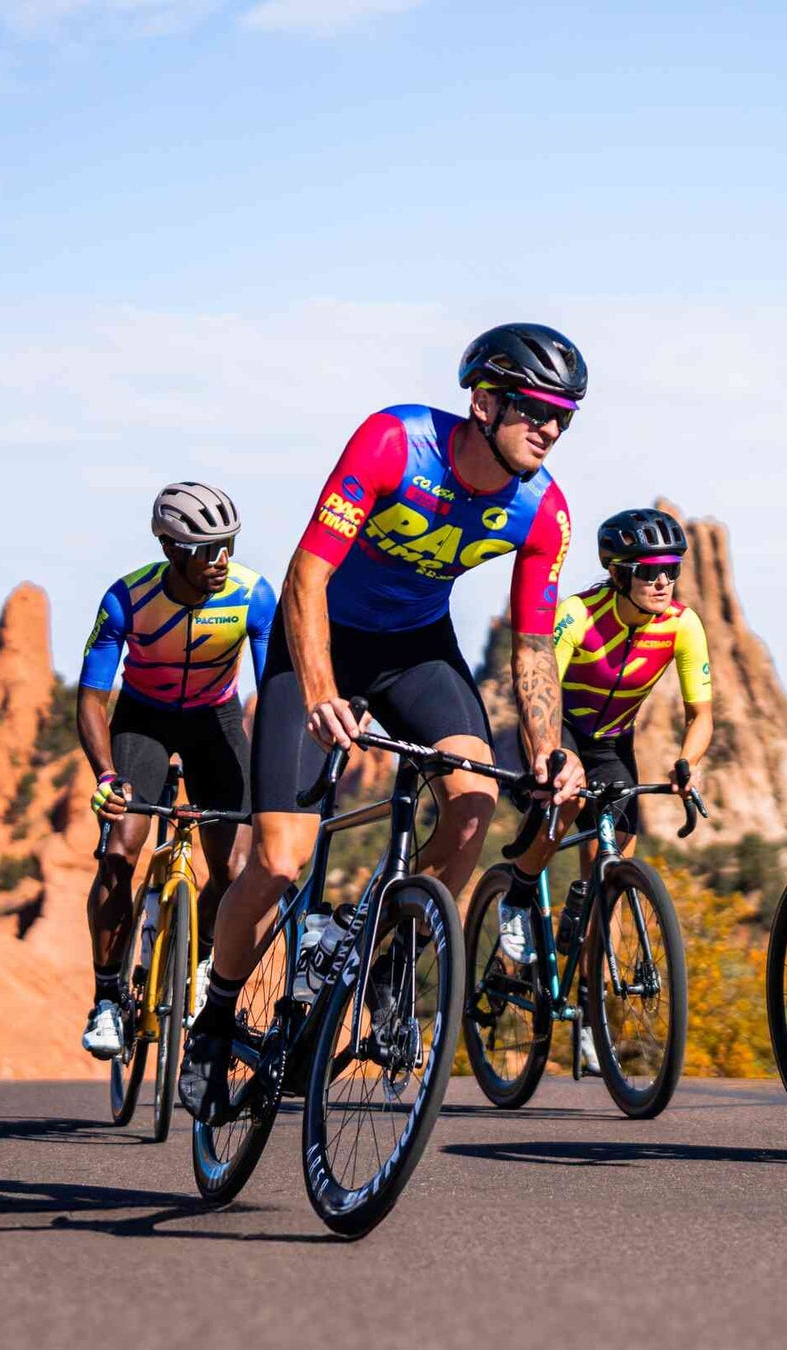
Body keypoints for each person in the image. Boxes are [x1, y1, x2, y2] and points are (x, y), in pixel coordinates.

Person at [177, 323, 591, 1118]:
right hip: (322, 639)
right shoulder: (394, 442)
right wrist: (325, 690)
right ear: (483, 400)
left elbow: (534, 646)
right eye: (537, 408)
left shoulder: (545, 509)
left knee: (473, 804)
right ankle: (216, 1018)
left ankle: (384, 955)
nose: (550, 428)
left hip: (418, 651)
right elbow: (307, 572)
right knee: (278, 859)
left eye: (565, 417)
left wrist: (548, 751)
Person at [75, 481, 275, 1058]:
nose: (221, 560)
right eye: (206, 549)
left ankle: (207, 954)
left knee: (235, 867)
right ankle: (108, 998)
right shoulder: (126, 600)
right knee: (120, 851)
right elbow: (91, 701)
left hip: (217, 721)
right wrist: (106, 777)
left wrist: (274, 766)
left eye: (228, 545)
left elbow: (272, 690)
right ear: (170, 548)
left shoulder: (252, 596)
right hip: (144, 720)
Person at [496, 507, 714, 968]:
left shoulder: (682, 625)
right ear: (618, 573)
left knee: (609, 881)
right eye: (650, 572)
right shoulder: (578, 615)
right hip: (560, 727)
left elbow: (701, 715)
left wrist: (687, 761)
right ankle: (516, 896)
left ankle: (594, 1026)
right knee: (569, 798)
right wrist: (552, 754)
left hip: (613, 743)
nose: (663, 582)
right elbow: (539, 689)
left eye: (672, 570)